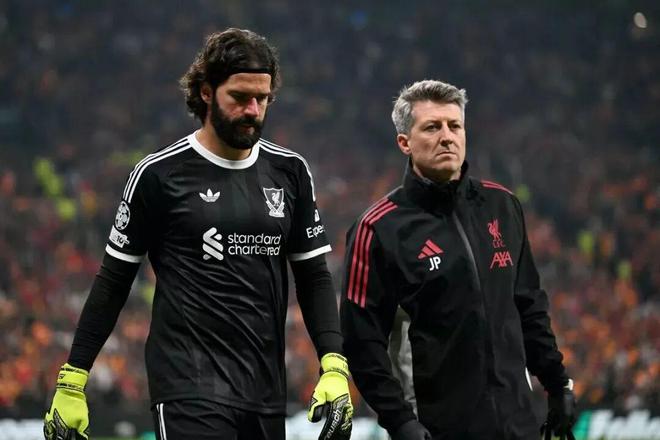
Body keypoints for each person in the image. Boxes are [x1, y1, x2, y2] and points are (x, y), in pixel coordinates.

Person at [44, 28, 352, 440]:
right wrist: (73, 379)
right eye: (239, 97)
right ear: (206, 92)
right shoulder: (158, 175)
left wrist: (333, 364)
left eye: (262, 99)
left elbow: (313, 277)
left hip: (264, 393)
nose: (252, 110)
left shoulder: (290, 172)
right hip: (187, 389)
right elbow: (114, 281)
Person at [340, 80, 576, 440]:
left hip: (518, 423)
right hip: (436, 429)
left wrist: (557, 384)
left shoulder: (502, 206)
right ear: (404, 142)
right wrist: (400, 422)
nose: (447, 137)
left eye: (455, 126)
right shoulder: (378, 229)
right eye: (432, 127)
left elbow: (529, 307)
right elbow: (361, 343)